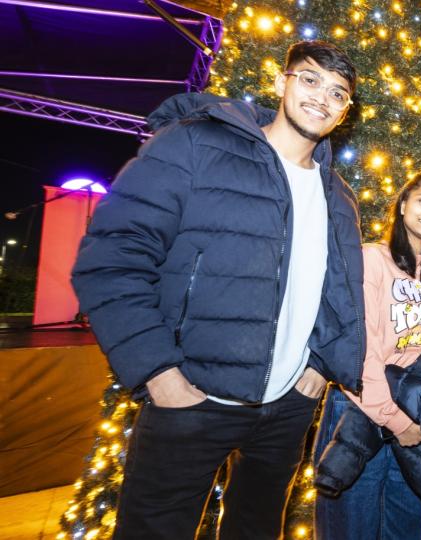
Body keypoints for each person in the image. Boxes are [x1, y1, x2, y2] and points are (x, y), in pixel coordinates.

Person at [71, 40, 364, 538]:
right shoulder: (193, 145)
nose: (322, 97)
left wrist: (318, 368)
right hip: (189, 402)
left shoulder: (339, 196)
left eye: (338, 92)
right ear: (282, 82)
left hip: (286, 410)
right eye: (310, 79)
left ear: (345, 111)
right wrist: (159, 372)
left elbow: (340, 292)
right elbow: (112, 258)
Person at [314, 170, 421, 539]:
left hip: (418, 414)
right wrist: (395, 419)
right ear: (402, 204)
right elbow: (359, 346)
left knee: (409, 526)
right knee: (351, 527)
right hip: (359, 409)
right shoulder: (371, 259)